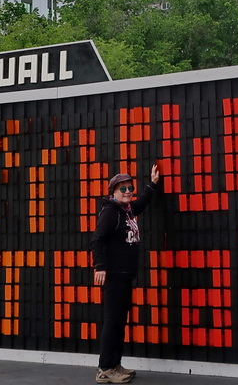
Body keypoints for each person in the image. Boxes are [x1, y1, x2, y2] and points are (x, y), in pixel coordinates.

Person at [91, 164, 161, 384]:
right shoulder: (111, 212)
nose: (128, 191)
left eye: (130, 187)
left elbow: (140, 204)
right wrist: (100, 266)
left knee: (119, 322)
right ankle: (104, 369)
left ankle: (114, 364)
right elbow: (97, 239)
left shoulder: (127, 210)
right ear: (113, 192)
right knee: (112, 322)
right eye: (123, 189)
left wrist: (151, 184)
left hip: (125, 275)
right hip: (114, 274)